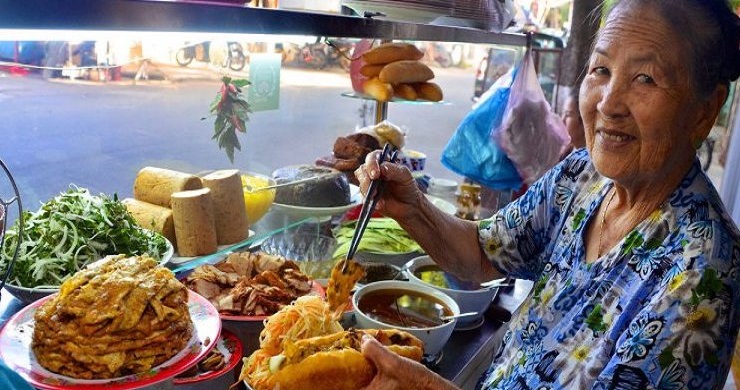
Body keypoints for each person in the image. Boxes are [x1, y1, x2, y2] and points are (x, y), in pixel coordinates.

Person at [354, 0, 740, 389]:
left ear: (704, 111)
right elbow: (483, 253)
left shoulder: (704, 272)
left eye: (646, 79)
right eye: (601, 70)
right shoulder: (582, 175)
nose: (608, 102)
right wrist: (413, 207)